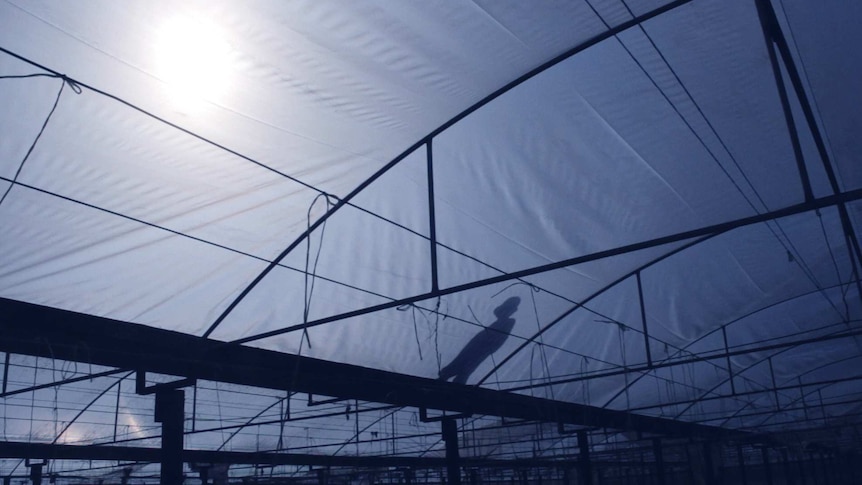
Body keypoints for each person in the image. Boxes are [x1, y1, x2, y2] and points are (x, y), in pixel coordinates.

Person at [438, 296, 521, 384]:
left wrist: (490, 345)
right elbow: (497, 312)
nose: (506, 312)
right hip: (479, 343)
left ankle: (456, 379)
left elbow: (500, 339)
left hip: (485, 346)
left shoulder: (509, 322)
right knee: (463, 360)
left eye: (509, 309)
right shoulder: (503, 320)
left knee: (469, 365)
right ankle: (448, 376)